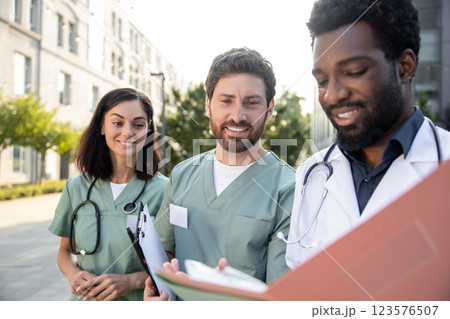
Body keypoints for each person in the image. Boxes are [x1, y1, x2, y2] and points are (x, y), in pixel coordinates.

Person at [285, 0, 450, 268]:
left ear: (404, 67)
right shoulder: (311, 174)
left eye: (354, 72)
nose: (333, 95)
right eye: (322, 81)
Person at [148, 48, 295, 299]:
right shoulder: (182, 175)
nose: (237, 116)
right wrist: (157, 290)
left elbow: (279, 298)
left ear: (269, 109)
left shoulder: (288, 189)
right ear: (208, 105)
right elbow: (165, 255)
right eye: (226, 101)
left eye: (252, 102)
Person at [49, 88, 168, 300]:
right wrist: (73, 274)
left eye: (138, 124)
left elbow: (174, 262)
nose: (127, 132)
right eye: (117, 122)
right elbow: (64, 251)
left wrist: (131, 281)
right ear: (102, 127)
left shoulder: (164, 191)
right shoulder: (75, 187)